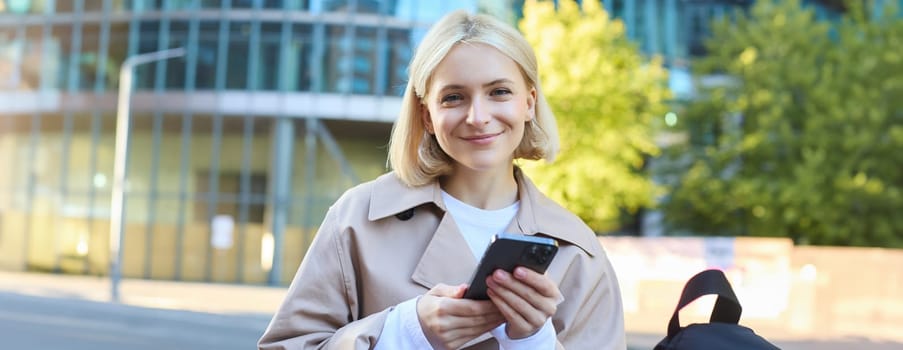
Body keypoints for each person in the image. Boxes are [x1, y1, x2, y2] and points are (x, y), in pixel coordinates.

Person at [258, 10, 626, 350]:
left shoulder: (579, 252)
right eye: (453, 98)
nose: (478, 116)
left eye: (499, 92)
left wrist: (535, 342)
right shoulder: (358, 219)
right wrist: (406, 331)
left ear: (528, 103)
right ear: (428, 116)